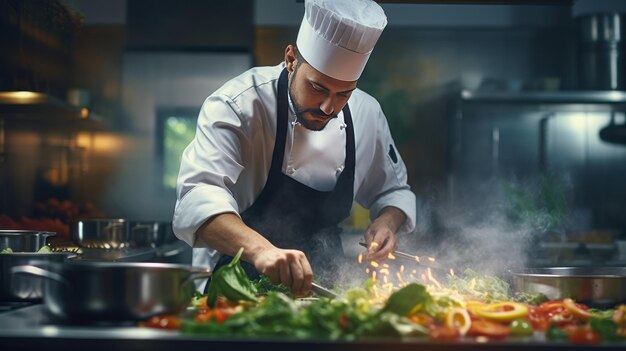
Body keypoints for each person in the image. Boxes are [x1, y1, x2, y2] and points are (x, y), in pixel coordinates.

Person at [173, 0, 416, 296]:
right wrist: (261, 250)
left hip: (326, 285)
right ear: (291, 59)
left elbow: (394, 192)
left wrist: (387, 223)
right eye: (317, 88)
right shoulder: (238, 105)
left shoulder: (367, 113)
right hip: (238, 284)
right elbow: (196, 197)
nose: (329, 107)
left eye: (344, 94)